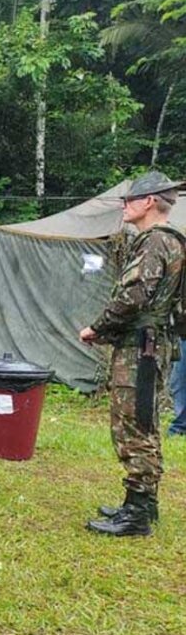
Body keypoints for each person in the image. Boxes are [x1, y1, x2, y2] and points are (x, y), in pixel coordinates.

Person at [80, 171, 184, 537]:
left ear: (150, 201)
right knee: (144, 422)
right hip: (150, 344)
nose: (124, 206)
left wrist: (98, 327)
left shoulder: (155, 241)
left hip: (141, 347)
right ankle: (140, 504)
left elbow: (134, 296)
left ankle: (137, 516)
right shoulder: (171, 241)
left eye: (130, 199)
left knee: (133, 425)